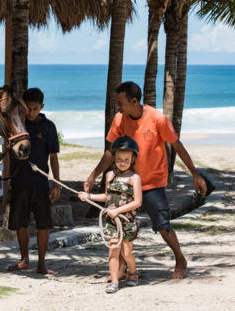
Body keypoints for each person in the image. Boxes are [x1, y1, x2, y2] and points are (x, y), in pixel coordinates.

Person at [84, 81, 207, 280]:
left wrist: (195, 173)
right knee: (119, 224)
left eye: (120, 102)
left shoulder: (157, 119)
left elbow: (177, 145)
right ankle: (122, 269)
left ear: (134, 101)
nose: (118, 107)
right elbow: (110, 152)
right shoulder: (119, 119)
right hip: (125, 181)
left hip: (152, 182)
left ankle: (180, 259)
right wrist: (93, 175)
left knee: (163, 225)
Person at [79, 136, 142, 293]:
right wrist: (89, 197)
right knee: (113, 249)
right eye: (119, 159)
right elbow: (107, 196)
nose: (122, 162)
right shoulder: (109, 176)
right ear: (114, 158)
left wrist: (118, 211)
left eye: (126, 159)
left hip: (127, 220)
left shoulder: (134, 178)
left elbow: (138, 202)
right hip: (112, 221)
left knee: (127, 253)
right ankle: (114, 280)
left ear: (133, 159)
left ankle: (132, 272)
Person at [7, 87, 61, 274]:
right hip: (19, 181)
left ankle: (42, 263)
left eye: (35, 109)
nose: (31, 112)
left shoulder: (48, 127)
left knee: (43, 224)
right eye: (28, 108)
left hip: (40, 182)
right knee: (20, 223)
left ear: (42, 106)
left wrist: (56, 183)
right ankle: (24, 260)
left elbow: (53, 156)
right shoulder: (17, 125)